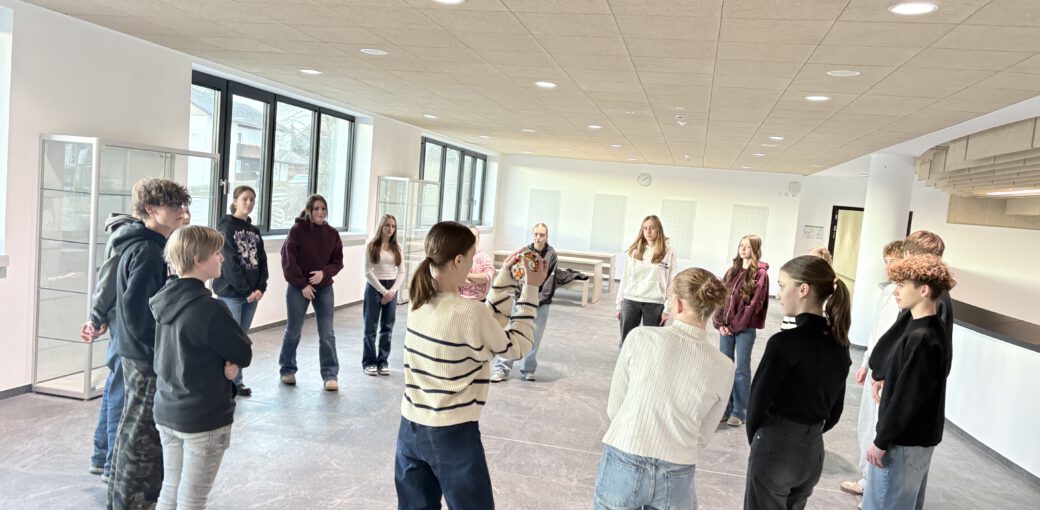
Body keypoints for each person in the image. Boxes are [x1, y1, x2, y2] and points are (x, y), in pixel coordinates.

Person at [394, 221, 546, 510]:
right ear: (458, 260)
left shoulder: (418, 300)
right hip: (453, 434)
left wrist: (504, 279)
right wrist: (531, 290)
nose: (474, 262)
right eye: (472, 255)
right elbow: (517, 345)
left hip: (410, 427)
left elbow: (480, 324)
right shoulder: (469, 313)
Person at [594, 268, 734, 510]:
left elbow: (615, 408)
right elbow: (704, 434)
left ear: (677, 304)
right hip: (678, 469)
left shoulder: (640, 337)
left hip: (626, 454)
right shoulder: (725, 365)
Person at [150, 226, 253, 510]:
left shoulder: (163, 300)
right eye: (216, 253)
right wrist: (231, 365)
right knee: (192, 500)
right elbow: (242, 351)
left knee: (170, 491)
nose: (222, 257)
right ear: (198, 259)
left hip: (167, 409)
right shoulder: (210, 309)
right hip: (203, 416)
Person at [106, 178, 191, 509]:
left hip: (140, 353)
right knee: (142, 436)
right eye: (174, 206)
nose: (182, 211)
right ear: (151, 209)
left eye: (183, 205)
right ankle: (135, 501)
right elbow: (138, 313)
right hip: (144, 356)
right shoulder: (147, 251)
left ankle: (124, 499)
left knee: (134, 427)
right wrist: (161, 352)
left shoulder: (150, 246)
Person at [744, 255, 852, 510]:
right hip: (812, 451)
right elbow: (835, 412)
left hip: (777, 448)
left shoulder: (784, 343)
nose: (779, 295)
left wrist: (762, 444)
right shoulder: (839, 344)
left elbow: (757, 404)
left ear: (803, 289)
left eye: (782, 286)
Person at [863, 255, 956, 510]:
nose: (896, 291)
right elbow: (886, 352)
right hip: (911, 440)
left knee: (884, 503)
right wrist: (882, 375)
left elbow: (909, 399)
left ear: (924, 290)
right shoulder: (921, 325)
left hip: (903, 442)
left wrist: (881, 440)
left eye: (902, 285)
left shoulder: (923, 337)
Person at [840, 240, 904, 498]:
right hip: (876, 368)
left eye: (893, 261)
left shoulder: (904, 298)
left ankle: (875, 491)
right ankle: (866, 480)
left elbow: (895, 339)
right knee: (866, 425)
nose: (888, 266)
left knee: (880, 429)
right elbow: (877, 331)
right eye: (886, 261)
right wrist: (866, 362)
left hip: (887, 374)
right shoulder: (888, 292)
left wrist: (884, 371)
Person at [80, 212, 139, 483]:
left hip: (120, 323)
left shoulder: (128, 234)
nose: (183, 214)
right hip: (123, 326)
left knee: (114, 390)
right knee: (119, 393)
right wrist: (97, 317)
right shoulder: (128, 235)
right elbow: (108, 281)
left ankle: (101, 457)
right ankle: (111, 463)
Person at [279, 195, 344, 391]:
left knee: (327, 333)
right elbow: (288, 261)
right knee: (293, 331)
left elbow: (337, 262)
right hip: (298, 288)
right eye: (316, 208)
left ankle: (330, 375)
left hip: (324, 287)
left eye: (323, 208)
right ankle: (287, 370)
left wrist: (324, 273)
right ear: (309, 210)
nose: (320, 212)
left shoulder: (332, 234)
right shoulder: (297, 230)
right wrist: (302, 285)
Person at [213, 185, 268, 396]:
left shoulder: (254, 231)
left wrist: (261, 287)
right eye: (245, 198)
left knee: (241, 339)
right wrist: (246, 291)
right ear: (235, 201)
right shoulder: (225, 228)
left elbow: (262, 261)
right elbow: (229, 264)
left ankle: (237, 381)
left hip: (252, 296)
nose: (249, 203)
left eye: (252, 199)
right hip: (232, 295)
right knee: (229, 339)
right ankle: (223, 383)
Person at [712, 234, 770, 427]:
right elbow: (721, 298)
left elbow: (753, 306)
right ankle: (725, 409)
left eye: (747, 246)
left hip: (745, 329)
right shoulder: (732, 270)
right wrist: (720, 323)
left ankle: (739, 412)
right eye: (741, 245)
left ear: (755, 249)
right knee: (725, 367)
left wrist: (734, 326)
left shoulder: (760, 274)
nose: (742, 249)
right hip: (726, 328)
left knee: (741, 369)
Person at [491, 222, 557, 382]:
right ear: (533, 235)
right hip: (521, 299)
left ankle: (528, 369)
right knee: (512, 332)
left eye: (542, 235)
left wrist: (538, 299)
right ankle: (502, 368)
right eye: (536, 234)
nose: (538, 237)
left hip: (541, 303)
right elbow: (518, 274)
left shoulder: (551, 254)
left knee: (535, 337)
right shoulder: (525, 251)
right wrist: (523, 296)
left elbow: (551, 280)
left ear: (547, 236)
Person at [615, 215, 678, 345]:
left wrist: (667, 309)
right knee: (627, 342)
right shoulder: (633, 251)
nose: (648, 231)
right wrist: (619, 304)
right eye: (645, 228)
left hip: (655, 303)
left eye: (652, 228)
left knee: (652, 344)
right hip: (631, 300)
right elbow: (625, 278)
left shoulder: (669, 253)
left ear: (658, 229)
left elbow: (672, 283)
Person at [362, 214, 405, 376]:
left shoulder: (397, 247)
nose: (390, 229)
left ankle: (383, 361)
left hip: (392, 288)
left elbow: (402, 272)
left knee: (387, 327)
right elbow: (367, 272)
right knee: (370, 327)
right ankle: (369, 363)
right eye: (387, 225)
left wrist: (392, 291)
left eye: (393, 226)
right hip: (375, 287)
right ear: (381, 226)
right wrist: (383, 291)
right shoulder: (371, 245)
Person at [781, 246, 834, 331]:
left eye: (814, 263)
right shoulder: (796, 291)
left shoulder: (828, 298)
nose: (807, 265)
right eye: (807, 260)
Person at [459, 225, 495, 302]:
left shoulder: (485, 257)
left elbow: (488, 276)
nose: (471, 239)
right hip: (460, 300)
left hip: (479, 300)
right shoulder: (458, 256)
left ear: (478, 238)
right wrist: (476, 279)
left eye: (474, 236)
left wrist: (468, 276)